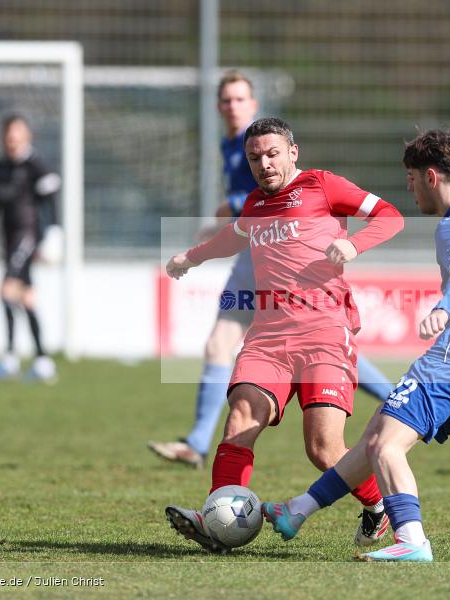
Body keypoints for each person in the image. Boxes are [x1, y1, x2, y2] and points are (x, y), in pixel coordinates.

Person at [261, 130, 450, 562]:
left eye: (409, 178)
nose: (408, 188)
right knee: (374, 436)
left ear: (429, 176)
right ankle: (297, 510)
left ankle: (412, 540)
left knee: (385, 447)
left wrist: (446, 307)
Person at [163, 117, 404, 553]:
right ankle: (217, 517)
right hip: (269, 338)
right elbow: (230, 240)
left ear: (293, 152)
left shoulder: (323, 186)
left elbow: (390, 216)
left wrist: (355, 244)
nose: (264, 164)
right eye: (255, 157)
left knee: (324, 450)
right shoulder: (255, 204)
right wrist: (190, 258)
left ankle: (377, 508)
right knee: (239, 421)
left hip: (325, 333)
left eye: (272, 154)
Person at [148, 71, 394, 469]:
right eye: (226, 100)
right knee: (227, 346)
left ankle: (394, 397)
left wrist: (226, 216)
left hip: (269, 259)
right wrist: (198, 251)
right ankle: (198, 444)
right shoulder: (233, 145)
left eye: (240, 99)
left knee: (314, 342)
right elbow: (247, 214)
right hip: (253, 255)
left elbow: (259, 201)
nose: (233, 106)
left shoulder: (264, 143)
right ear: (218, 106)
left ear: (254, 105)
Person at [0, 114, 62, 383]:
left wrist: (54, 234)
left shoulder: (37, 166)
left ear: (27, 135)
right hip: (8, 239)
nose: (13, 138)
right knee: (26, 298)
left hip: (27, 236)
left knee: (6, 291)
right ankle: (43, 361)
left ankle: (9, 358)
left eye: (18, 133)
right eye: (9, 134)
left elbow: (50, 202)